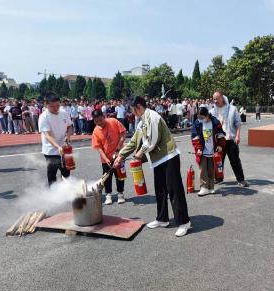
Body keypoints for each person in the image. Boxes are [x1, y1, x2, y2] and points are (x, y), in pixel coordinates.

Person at [114, 96, 191, 237]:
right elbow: (133, 142)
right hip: (157, 160)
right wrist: (121, 155)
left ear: (138, 107)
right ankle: (162, 219)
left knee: (174, 190)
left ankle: (184, 222)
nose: (132, 113)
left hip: (169, 156)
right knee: (160, 191)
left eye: (132, 110)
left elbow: (151, 141)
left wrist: (139, 154)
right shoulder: (141, 121)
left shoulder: (152, 116)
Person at [211, 91, 249, 187]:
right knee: (218, 161)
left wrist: (237, 135)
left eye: (217, 98)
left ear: (222, 98)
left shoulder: (232, 109)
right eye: (214, 99)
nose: (215, 101)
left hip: (230, 139)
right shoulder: (212, 111)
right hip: (219, 141)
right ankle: (219, 178)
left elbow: (238, 123)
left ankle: (241, 180)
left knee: (235, 160)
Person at [92, 109, 127, 205]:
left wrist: (119, 147)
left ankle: (120, 193)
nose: (99, 123)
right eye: (96, 121)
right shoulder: (96, 131)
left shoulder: (113, 121)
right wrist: (106, 159)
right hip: (105, 158)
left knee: (120, 175)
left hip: (119, 155)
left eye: (100, 120)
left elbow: (123, 133)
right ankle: (108, 195)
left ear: (104, 116)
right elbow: (98, 147)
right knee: (107, 177)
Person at [39, 94, 73, 186]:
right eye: (52, 106)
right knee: (52, 174)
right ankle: (54, 196)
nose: (55, 108)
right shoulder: (43, 117)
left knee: (66, 172)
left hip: (65, 147)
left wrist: (68, 136)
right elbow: (48, 136)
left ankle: (66, 191)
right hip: (50, 150)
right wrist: (58, 147)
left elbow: (70, 126)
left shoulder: (63, 112)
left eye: (58, 105)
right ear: (46, 104)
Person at [191, 107, 226, 196]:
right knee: (203, 169)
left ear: (207, 115)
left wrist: (220, 145)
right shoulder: (197, 123)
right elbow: (195, 137)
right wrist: (198, 148)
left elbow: (221, 135)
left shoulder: (215, 122)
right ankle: (203, 187)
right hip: (202, 151)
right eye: (198, 117)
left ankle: (211, 187)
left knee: (211, 169)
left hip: (213, 150)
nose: (200, 119)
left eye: (202, 117)